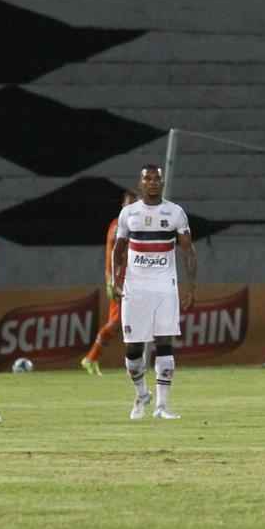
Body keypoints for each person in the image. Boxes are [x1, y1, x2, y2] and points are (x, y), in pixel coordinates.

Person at [111, 165, 197, 420]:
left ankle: (162, 406)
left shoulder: (175, 213)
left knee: (164, 343)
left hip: (164, 287)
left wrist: (190, 287)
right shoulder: (129, 214)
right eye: (147, 178)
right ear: (140, 183)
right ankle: (141, 394)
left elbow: (188, 252)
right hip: (135, 288)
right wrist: (116, 279)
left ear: (162, 181)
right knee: (133, 350)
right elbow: (118, 250)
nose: (152, 182)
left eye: (156, 178)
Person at [81, 189, 138, 375]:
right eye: (128, 203)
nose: (131, 207)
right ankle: (90, 358)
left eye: (134, 204)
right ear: (123, 205)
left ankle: (94, 358)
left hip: (134, 281)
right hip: (119, 282)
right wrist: (109, 280)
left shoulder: (137, 227)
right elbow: (111, 256)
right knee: (117, 321)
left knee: (130, 323)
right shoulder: (117, 226)